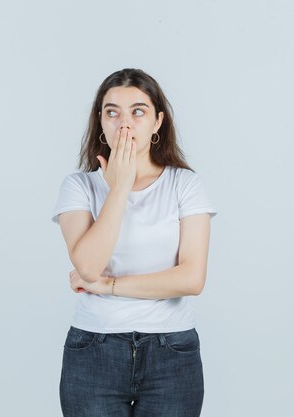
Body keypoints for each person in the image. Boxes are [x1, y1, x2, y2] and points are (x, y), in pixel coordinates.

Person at [50, 68, 217, 417]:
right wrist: (120, 186)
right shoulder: (78, 186)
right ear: (100, 121)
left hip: (171, 352)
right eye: (113, 112)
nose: (125, 124)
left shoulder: (184, 185)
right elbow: (89, 266)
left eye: (138, 111)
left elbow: (190, 279)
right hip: (94, 351)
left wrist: (108, 286)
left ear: (158, 121)